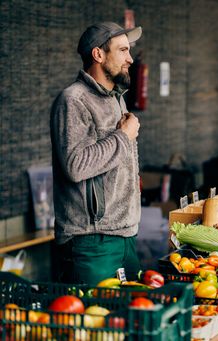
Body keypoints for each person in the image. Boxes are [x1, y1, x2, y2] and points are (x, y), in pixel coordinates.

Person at [50, 22, 143, 285]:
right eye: (123, 50)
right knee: (92, 322)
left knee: (129, 320)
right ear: (98, 55)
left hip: (125, 235)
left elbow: (113, 157)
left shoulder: (116, 97)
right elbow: (75, 165)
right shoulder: (73, 100)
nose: (130, 58)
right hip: (91, 242)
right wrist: (123, 136)